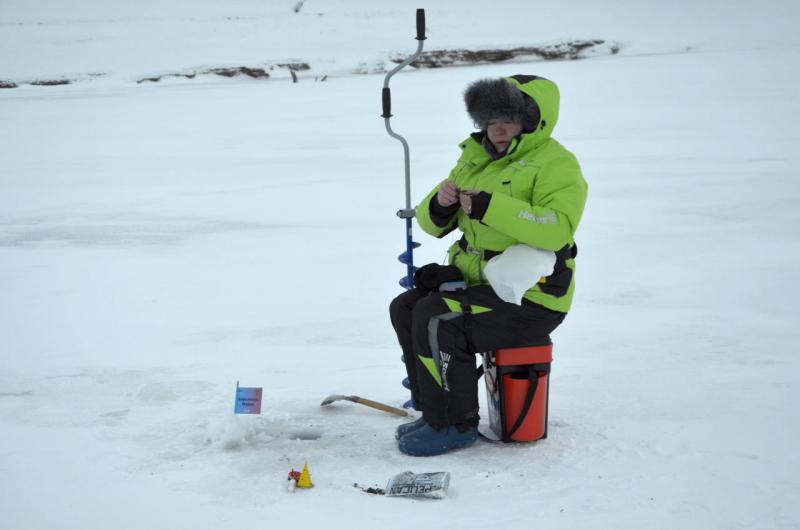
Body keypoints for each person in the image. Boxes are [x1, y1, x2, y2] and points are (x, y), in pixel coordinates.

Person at [389, 75, 588, 456]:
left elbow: (557, 228)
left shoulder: (556, 164)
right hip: (487, 287)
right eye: (490, 120)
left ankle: (453, 423)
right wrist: (441, 204)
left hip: (533, 298)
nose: (497, 129)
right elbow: (433, 225)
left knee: (436, 316)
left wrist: (489, 206)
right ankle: (431, 409)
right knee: (408, 306)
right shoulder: (475, 159)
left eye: (508, 120)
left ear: (532, 121)